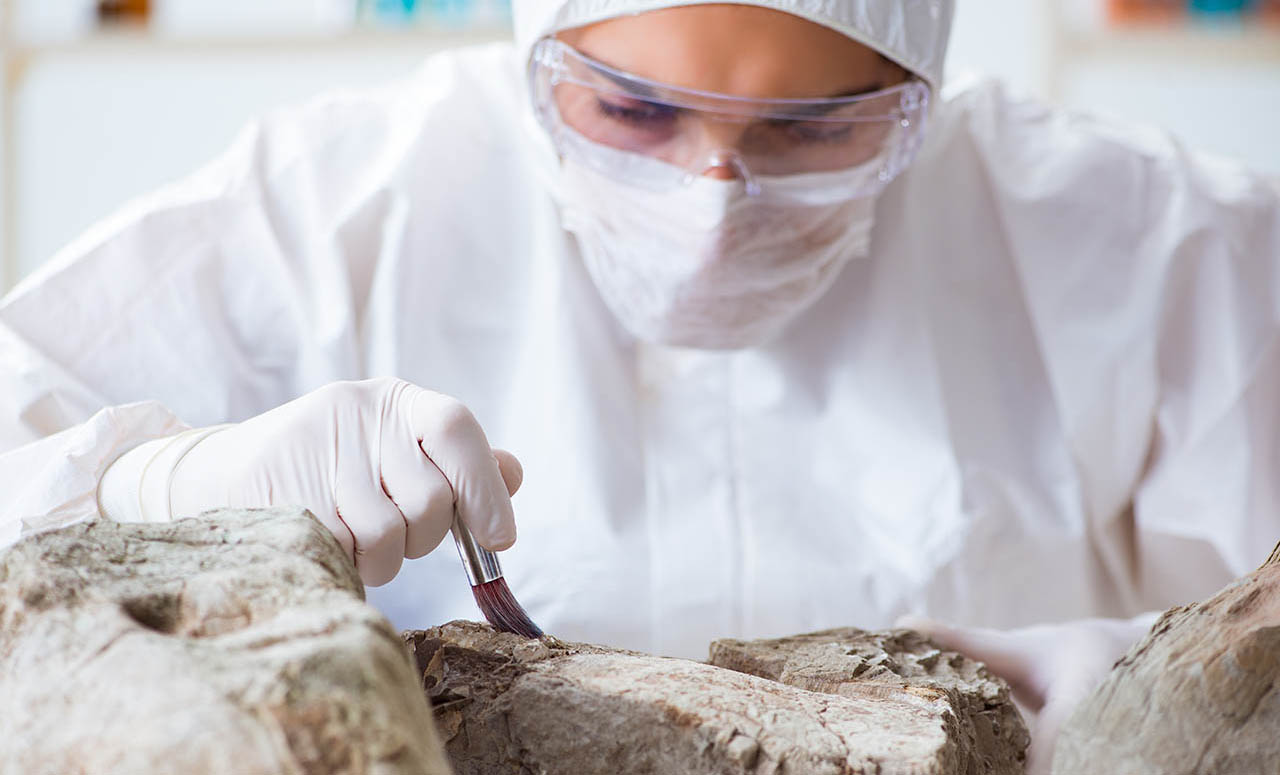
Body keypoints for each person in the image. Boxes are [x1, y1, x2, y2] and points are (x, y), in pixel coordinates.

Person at [1, 0, 1277, 770]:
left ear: (914, 96)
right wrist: (166, 484)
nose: (709, 204)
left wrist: (1189, 689)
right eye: (629, 112)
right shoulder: (331, 207)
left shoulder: (1156, 245)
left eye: (808, 130)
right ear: (539, 60)